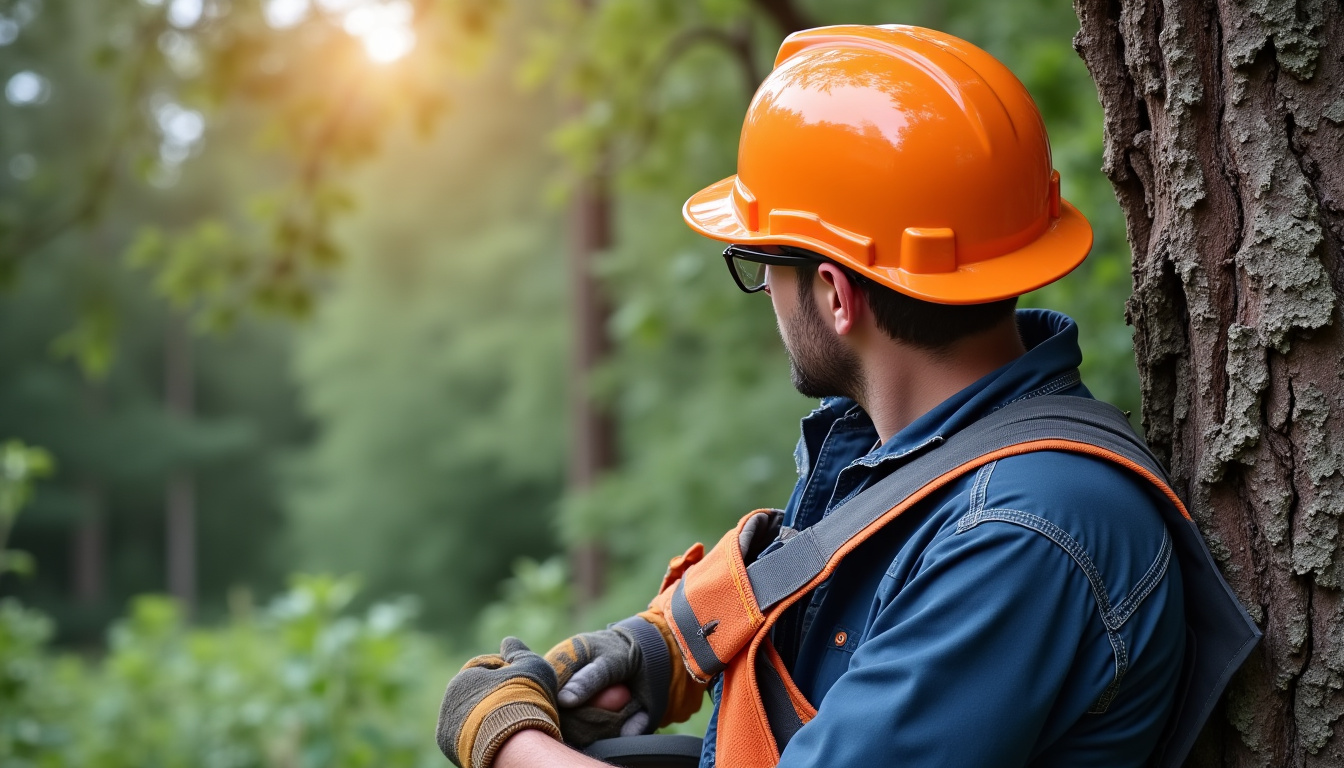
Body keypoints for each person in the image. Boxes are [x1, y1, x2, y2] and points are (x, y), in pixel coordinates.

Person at [435, 24, 1258, 768]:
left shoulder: (1023, 534)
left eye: (765, 268)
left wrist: (515, 751)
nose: (766, 293)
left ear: (835, 295)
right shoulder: (913, 462)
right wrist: (662, 651)